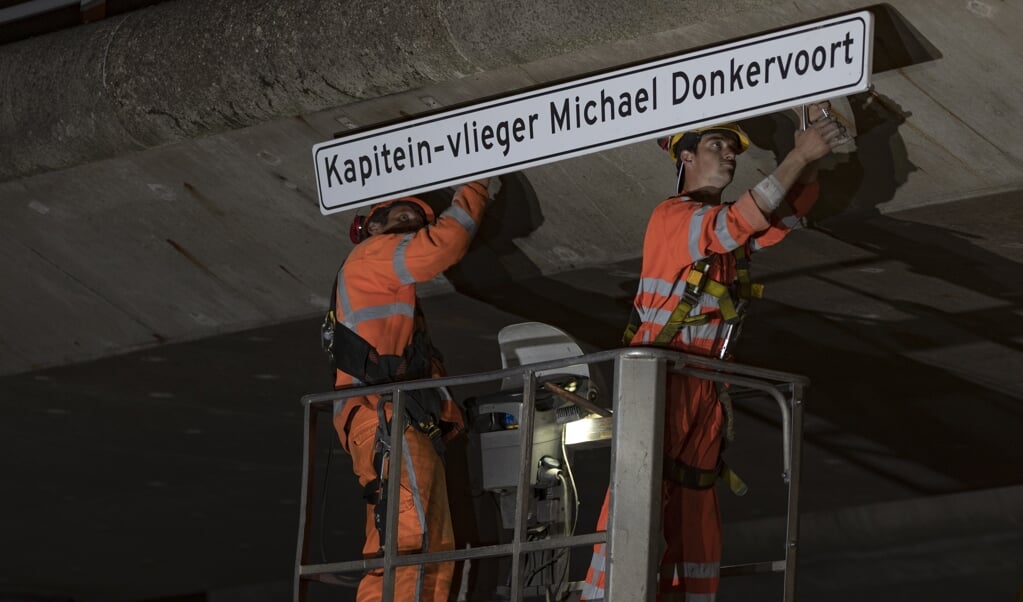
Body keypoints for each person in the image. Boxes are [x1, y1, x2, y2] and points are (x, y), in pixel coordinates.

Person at [581, 104, 845, 601]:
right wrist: (798, 153)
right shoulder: (674, 217)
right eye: (715, 146)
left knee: (695, 505)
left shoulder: (721, 230)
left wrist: (812, 159)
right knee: (639, 499)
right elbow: (742, 219)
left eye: (732, 148)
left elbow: (780, 214)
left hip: (699, 385)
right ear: (684, 157)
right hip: (661, 380)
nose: (728, 155)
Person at [324, 178, 496, 602]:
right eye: (402, 218)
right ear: (373, 226)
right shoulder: (371, 255)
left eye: (418, 221)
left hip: (401, 422)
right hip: (386, 418)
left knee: (430, 551)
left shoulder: (396, 298)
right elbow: (442, 246)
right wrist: (476, 183)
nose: (410, 227)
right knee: (410, 547)